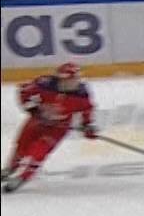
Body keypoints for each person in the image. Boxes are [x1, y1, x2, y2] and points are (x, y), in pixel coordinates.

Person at [3, 62, 98, 193]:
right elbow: (24, 91)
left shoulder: (81, 94)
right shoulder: (44, 84)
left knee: (39, 152)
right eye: (70, 80)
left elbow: (87, 110)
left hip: (57, 129)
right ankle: (11, 168)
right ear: (61, 79)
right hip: (36, 122)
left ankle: (23, 176)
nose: (74, 83)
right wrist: (32, 108)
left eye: (76, 79)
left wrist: (87, 125)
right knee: (22, 146)